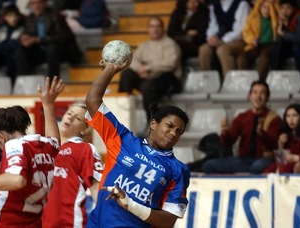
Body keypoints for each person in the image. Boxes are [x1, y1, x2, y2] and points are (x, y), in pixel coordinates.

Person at [85, 59, 190, 227]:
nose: (173, 133)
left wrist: (131, 205)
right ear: (153, 123)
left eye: (179, 131)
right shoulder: (122, 140)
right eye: (169, 126)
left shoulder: (178, 170)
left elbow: (169, 221)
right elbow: (92, 101)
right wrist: (110, 70)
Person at [0, 76, 65, 227]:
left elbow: (18, 180)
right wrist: (48, 105)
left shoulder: (14, 145)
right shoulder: (45, 144)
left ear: (0, 137)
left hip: (8, 223)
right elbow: (55, 140)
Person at [42, 103, 104, 227]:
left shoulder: (85, 149)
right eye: (69, 113)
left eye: (77, 118)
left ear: (84, 128)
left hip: (68, 221)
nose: (70, 117)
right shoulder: (43, 146)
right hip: (40, 221)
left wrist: (110, 218)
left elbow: (96, 188)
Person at [203, 80, 282, 174]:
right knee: (208, 165)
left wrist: (262, 134)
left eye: (262, 93)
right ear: (250, 96)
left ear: (267, 97)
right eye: (255, 93)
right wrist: (224, 133)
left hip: (264, 159)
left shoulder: (274, 118)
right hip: (243, 160)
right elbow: (227, 143)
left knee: (257, 167)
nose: (258, 97)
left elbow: (274, 145)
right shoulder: (242, 117)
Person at [119, 16, 183, 125]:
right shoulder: (144, 46)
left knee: (147, 86)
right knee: (126, 74)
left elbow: (169, 64)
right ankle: (121, 114)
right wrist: (139, 69)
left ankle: (152, 122)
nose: (155, 29)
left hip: (168, 79)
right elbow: (132, 61)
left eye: (158, 26)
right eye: (152, 26)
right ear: (148, 29)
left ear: (163, 28)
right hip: (150, 79)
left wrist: (148, 68)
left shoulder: (170, 43)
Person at [15, 0, 83, 79]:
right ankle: (25, 83)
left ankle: (52, 83)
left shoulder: (55, 15)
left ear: (45, 3)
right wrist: (24, 39)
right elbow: (27, 34)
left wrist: (39, 40)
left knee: (52, 48)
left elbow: (63, 36)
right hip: (42, 52)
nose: (36, 6)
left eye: (39, 3)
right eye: (33, 3)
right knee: (20, 51)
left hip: (62, 52)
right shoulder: (30, 18)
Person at [198, 0, 251, 79]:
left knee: (223, 50)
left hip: (238, 40)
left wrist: (223, 40)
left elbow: (240, 29)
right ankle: (207, 81)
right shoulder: (214, 6)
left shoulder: (242, 4)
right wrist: (211, 38)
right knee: (203, 49)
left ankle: (229, 81)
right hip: (219, 39)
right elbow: (212, 26)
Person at [242, 0, 280, 80]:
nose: (266, 10)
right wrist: (253, 39)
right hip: (256, 43)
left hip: (271, 44)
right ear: (259, 7)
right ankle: (244, 81)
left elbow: (278, 8)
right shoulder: (253, 17)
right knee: (244, 56)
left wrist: (273, 3)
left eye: (269, 8)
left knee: (264, 56)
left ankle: (259, 81)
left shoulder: (276, 19)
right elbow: (246, 32)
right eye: (264, 7)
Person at [265, 103, 300, 173]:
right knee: (267, 172)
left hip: (297, 163)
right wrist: (280, 144)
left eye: (295, 115)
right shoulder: (286, 135)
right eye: (288, 116)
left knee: (284, 169)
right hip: (286, 163)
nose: (291, 119)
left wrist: (294, 157)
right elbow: (280, 158)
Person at [271, 0, 300, 77]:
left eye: (288, 8)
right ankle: (274, 72)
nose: (285, 11)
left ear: (294, 9)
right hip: (287, 48)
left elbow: (298, 38)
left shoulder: (299, 17)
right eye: (282, 8)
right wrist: (281, 25)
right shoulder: (279, 17)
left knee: (296, 47)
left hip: (298, 47)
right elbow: (277, 37)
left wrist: (282, 33)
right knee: (278, 42)